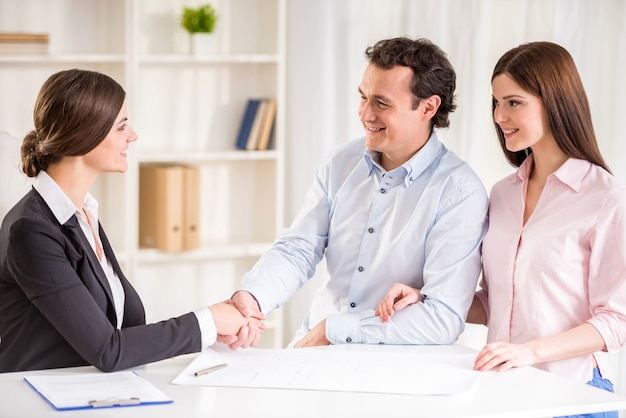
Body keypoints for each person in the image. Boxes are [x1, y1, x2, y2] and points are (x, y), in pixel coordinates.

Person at [376, 42, 626, 417]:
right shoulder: (503, 194)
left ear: (554, 101)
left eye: (513, 102)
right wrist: (428, 295)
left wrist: (528, 352)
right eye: (496, 103)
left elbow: (616, 321)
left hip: (572, 397)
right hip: (505, 393)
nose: (499, 116)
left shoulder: (604, 197)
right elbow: (498, 301)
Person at [228, 37, 489, 348]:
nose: (365, 114)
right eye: (363, 98)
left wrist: (333, 330)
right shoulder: (340, 163)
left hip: (390, 368)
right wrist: (253, 297)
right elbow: (298, 249)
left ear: (428, 107)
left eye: (382, 103)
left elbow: (442, 318)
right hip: (313, 350)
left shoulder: (459, 192)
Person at [0, 69, 262, 373]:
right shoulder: (31, 230)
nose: (132, 135)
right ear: (85, 133)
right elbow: (108, 350)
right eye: (121, 126)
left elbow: (124, 331)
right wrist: (208, 321)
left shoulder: (83, 213)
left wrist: (214, 331)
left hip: (93, 393)